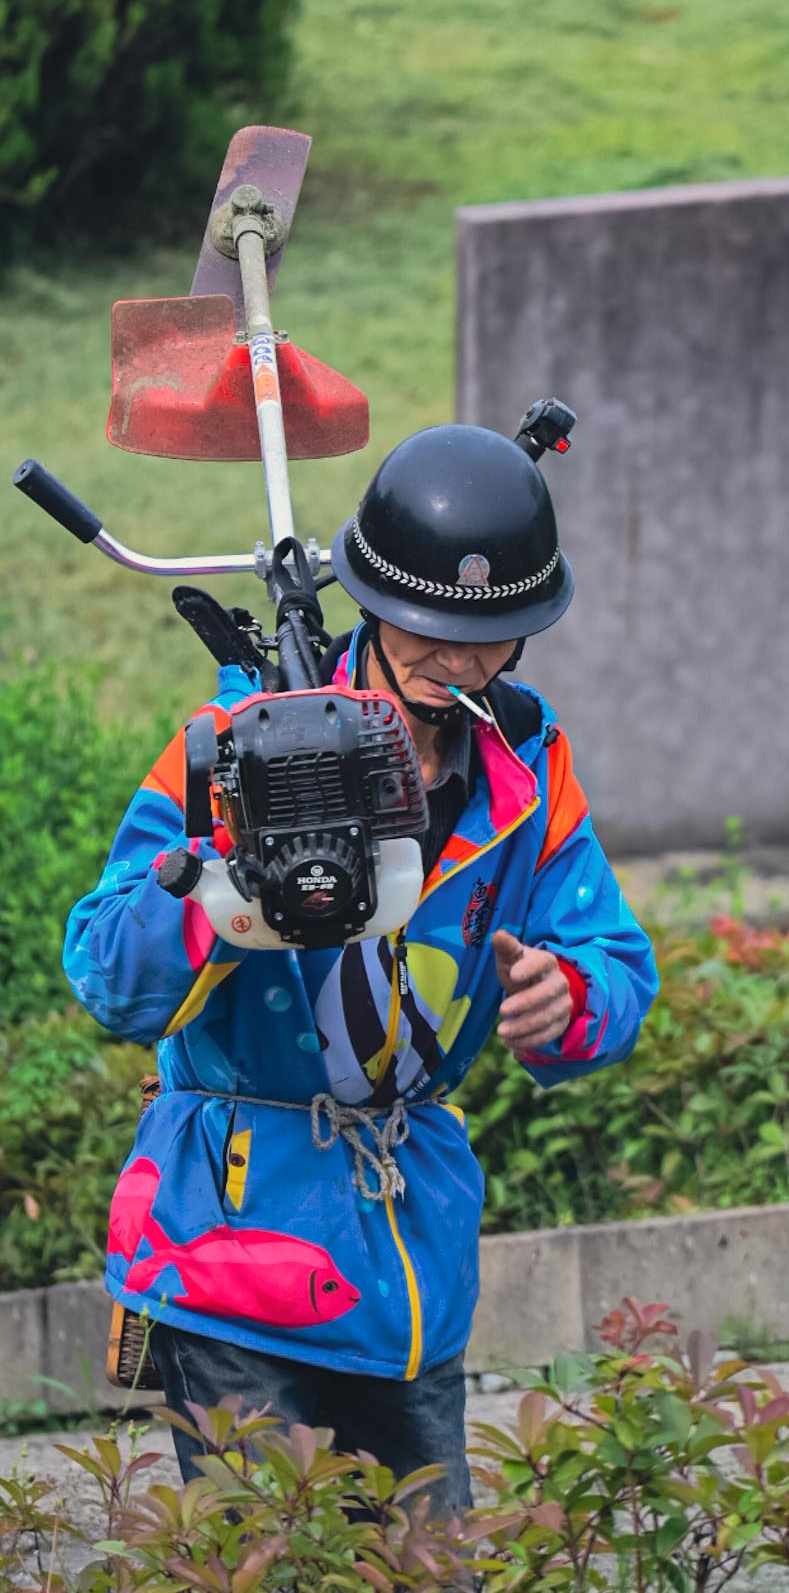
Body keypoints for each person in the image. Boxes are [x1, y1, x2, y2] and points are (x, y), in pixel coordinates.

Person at [64, 421, 659, 1519]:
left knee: (429, 1566)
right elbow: (110, 974)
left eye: (491, 637)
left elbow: (614, 960)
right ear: (373, 603)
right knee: (271, 1561)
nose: (461, 663)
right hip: (232, 1248)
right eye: (431, 632)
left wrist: (568, 998)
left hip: (405, 1271)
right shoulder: (235, 739)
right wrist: (218, 883)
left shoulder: (526, 768)